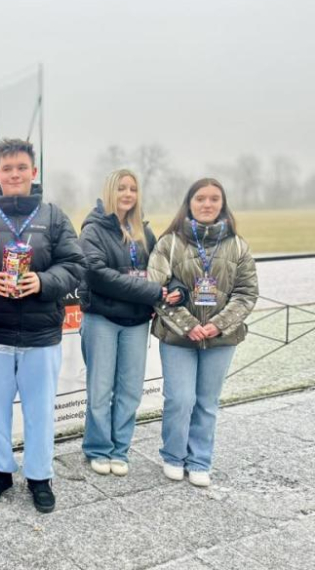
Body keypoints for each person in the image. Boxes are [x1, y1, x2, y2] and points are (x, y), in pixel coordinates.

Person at [0, 138, 85, 513]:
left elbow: (75, 265)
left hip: (40, 335)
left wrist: (43, 282)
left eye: (21, 168)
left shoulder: (53, 216)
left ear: (34, 173)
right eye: (7, 169)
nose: (14, 174)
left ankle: (39, 476)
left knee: (39, 411)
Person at [147, 178, 258, 487]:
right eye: (200, 199)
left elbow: (246, 294)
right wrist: (189, 325)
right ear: (189, 203)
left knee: (207, 402)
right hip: (178, 338)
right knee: (180, 400)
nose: (207, 204)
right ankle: (173, 456)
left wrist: (218, 324)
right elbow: (158, 290)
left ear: (222, 204)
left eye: (214, 199)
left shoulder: (237, 245)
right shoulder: (169, 243)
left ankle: (199, 460)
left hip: (221, 339)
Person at [78, 169, 182, 477]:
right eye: (122, 188)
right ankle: (98, 449)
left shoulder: (143, 231)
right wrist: (152, 291)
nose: (127, 194)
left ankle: (119, 449)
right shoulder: (93, 229)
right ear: (111, 191)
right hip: (102, 319)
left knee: (130, 390)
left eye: (133, 189)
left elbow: (161, 268)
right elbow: (97, 275)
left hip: (136, 321)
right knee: (100, 389)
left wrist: (175, 287)